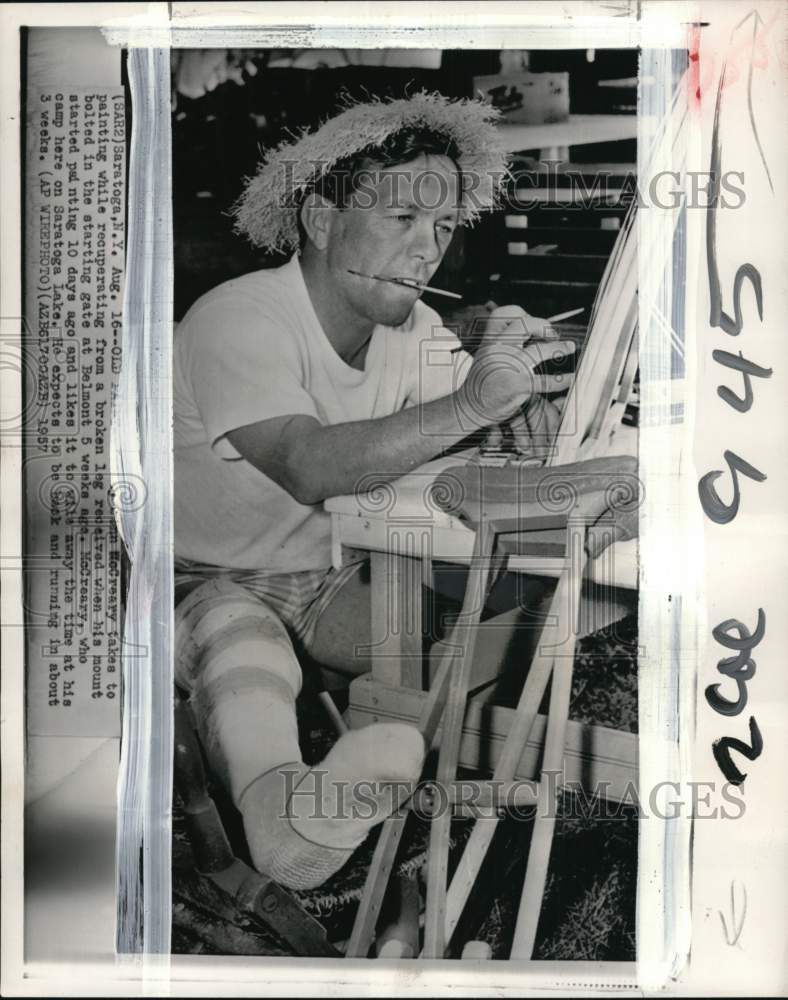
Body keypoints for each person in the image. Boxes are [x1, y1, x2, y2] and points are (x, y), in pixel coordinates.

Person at [173, 92, 574, 890]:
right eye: (401, 220)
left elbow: (467, 419)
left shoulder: (414, 327)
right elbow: (310, 465)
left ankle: (364, 779)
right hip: (187, 578)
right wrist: (470, 405)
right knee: (237, 633)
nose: (427, 250)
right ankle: (279, 814)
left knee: (470, 646)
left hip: (324, 582)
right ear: (322, 221)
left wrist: (529, 399)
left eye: (443, 227)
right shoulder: (239, 318)